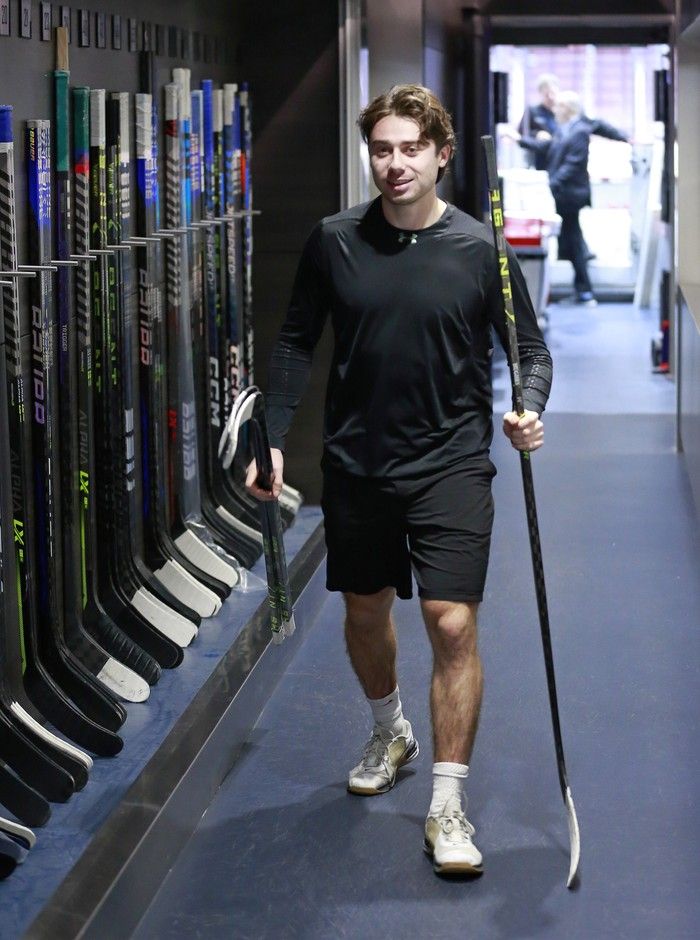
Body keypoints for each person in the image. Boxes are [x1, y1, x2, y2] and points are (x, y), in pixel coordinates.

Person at [246, 84, 552, 877]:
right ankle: (391, 728)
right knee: (366, 610)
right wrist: (270, 437)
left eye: (410, 148)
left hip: (452, 463)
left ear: (441, 154)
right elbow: (292, 344)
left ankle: (447, 803)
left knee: (452, 624)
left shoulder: (481, 250)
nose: (394, 163)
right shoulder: (333, 241)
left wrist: (528, 409)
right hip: (358, 464)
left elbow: (529, 353)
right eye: (381, 149)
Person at [514, 90, 600, 306]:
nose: (555, 109)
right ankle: (582, 290)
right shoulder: (564, 130)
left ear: (569, 108)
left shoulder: (579, 131)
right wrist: (521, 140)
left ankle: (585, 291)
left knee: (574, 242)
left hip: (570, 196)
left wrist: (550, 184)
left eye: (560, 106)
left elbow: (573, 164)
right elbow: (548, 146)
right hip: (562, 195)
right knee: (571, 241)